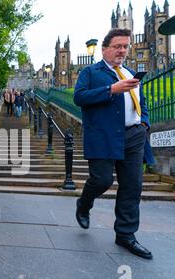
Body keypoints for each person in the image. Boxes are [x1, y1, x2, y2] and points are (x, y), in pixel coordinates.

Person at [73, 28, 155, 260]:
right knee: (102, 180)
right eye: (117, 46)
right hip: (103, 136)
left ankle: (126, 235)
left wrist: (144, 123)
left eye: (125, 46)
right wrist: (111, 89)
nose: (122, 50)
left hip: (134, 136)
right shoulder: (91, 72)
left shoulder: (130, 73)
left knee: (132, 186)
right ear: (105, 49)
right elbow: (79, 97)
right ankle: (84, 203)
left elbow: (142, 101)